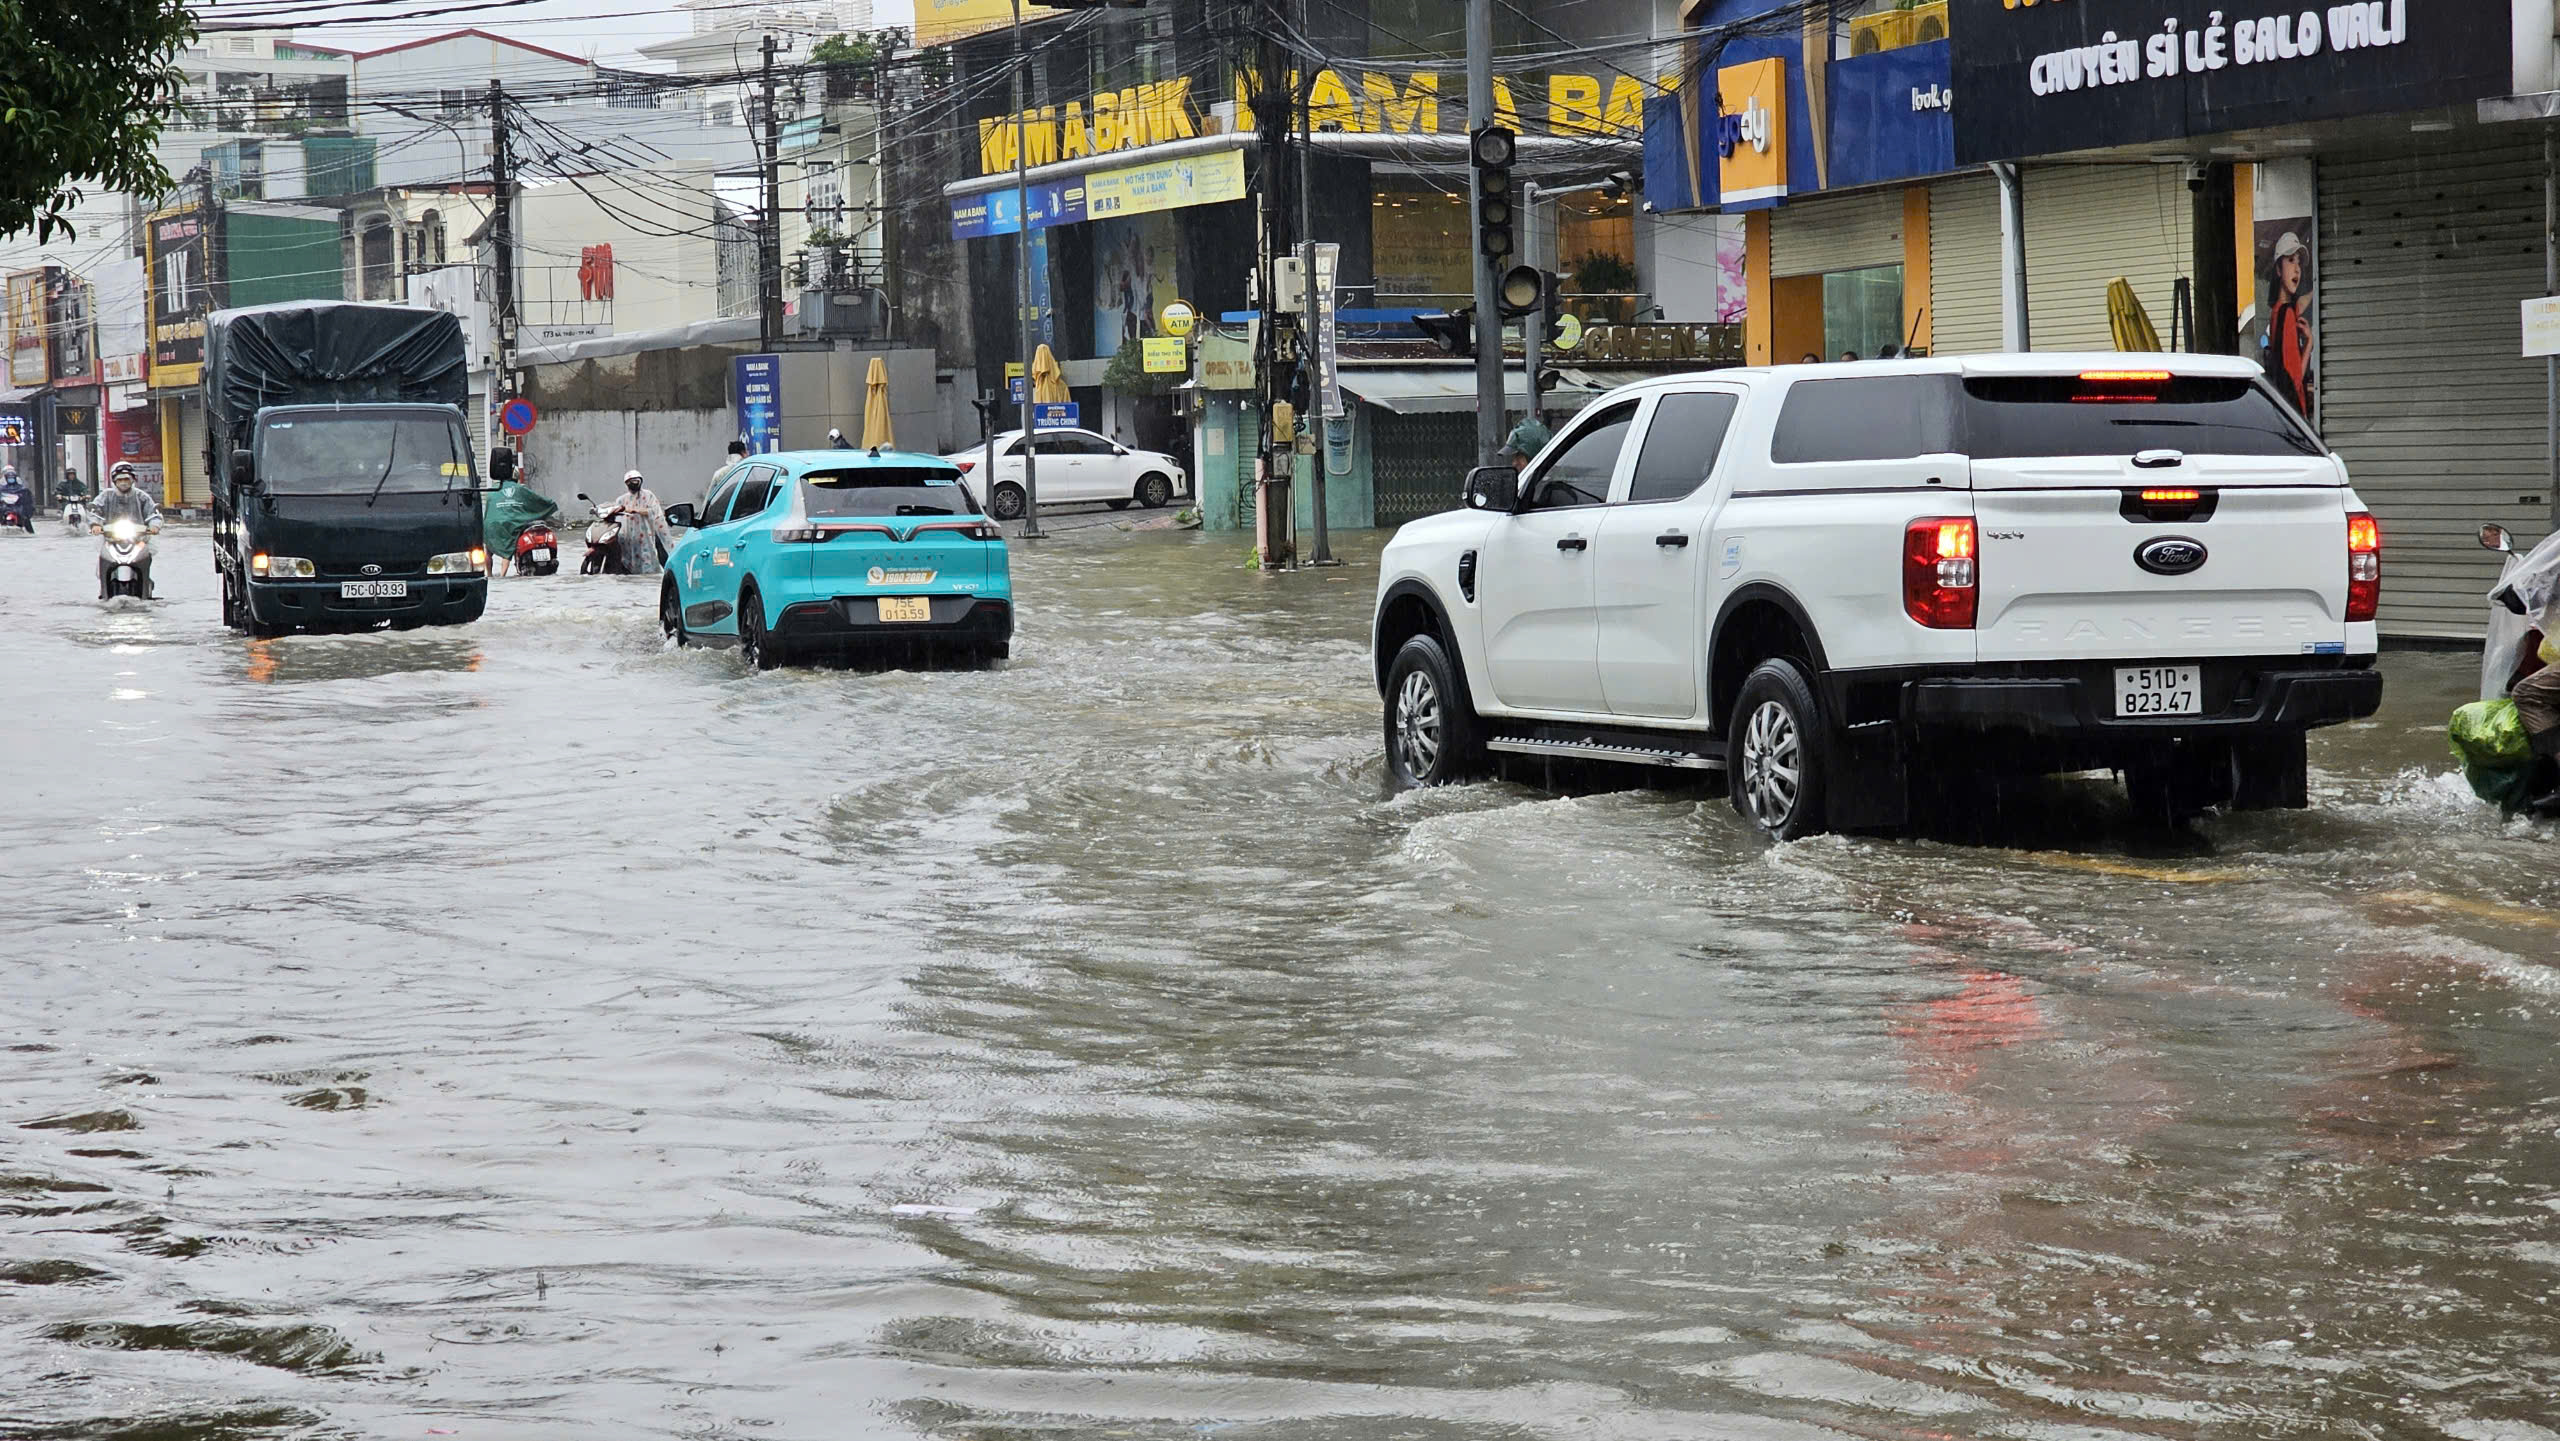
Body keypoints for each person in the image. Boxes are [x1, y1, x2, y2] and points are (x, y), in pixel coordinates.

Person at [2263, 232, 2315, 419]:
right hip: (2294, 412)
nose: (2297, 269)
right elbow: (2295, 379)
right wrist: (2309, 344)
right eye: (2291, 260)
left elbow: (2299, 303)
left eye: (2299, 262)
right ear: (2278, 269)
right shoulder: (2287, 315)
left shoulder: (2277, 312)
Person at [91, 463, 163, 596]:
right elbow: (95, 511)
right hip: (111, 540)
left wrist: (154, 526)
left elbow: (154, 514)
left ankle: (145, 586)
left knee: (145, 561)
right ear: (114, 481)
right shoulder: (106, 495)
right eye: (120, 480)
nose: (123, 483)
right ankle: (104, 591)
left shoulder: (142, 496)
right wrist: (95, 525)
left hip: (138, 540)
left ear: (132, 480)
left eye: (126, 479)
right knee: (102, 564)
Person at [604, 469, 670, 574]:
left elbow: (654, 510)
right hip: (628, 535)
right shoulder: (621, 499)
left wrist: (637, 511)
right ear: (626, 483)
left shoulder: (648, 496)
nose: (634, 484)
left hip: (646, 534)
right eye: (631, 482)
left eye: (636, 481)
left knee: (648, 557)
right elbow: (613, 510)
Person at [0, 465, 31, 532]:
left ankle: (30, 532)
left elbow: (27, 496)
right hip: (5, 506)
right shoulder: (2, 486)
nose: (11, 479)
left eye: (12, 478)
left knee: (25, 518)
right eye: (9, 478)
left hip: (17, 506)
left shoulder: (20, 487)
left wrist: (23, 497)